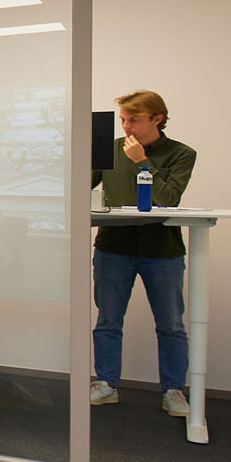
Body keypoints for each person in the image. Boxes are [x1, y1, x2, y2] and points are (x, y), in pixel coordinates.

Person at [90, 89, 197, 416]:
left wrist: (141, 162)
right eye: (123, 119)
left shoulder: (182, 154)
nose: (126, 126)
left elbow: (167, 199)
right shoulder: (109, 149)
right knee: (107, 321)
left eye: (133, 120)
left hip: (162, 251)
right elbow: (80, 185)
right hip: (113, 248)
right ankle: (106, 383)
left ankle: (173, 390)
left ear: (157, 119)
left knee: (171, 325)